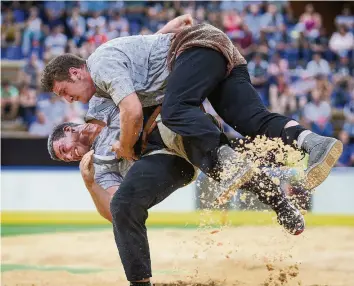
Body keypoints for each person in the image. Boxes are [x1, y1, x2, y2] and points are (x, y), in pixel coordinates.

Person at [48, 96, 306, 285]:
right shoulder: (100, 168)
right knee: (125, 204)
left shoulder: (98, 106)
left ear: (69, 129)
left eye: (64, 149)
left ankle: (281, 204)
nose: (69, 156)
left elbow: (132, 77)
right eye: (65, 158)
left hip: (172, 123)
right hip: (164, 159)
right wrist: (90, 184)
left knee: (227, 166)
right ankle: (140, 282)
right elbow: (116, 212)